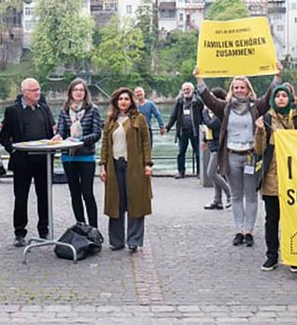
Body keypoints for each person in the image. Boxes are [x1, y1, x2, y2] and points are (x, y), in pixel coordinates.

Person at [195, 66, 279, 248]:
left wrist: (277, 76)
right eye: (236, 87)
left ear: (248, 89)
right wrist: (199, 79)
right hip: (231, 156)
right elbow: (208, 99)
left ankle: (249, 230)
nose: (239, 90)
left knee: (250, 195)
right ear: (232, 90)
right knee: (236, 195)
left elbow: (270, 96)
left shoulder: (255, 107)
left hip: (250, 156)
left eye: (242, 87)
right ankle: (239, 229)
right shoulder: (225, 108)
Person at [256, 83, 297, 272]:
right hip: (272, 177)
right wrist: (260, 130)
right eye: (278, 96)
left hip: (294, 177)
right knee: (272, 219)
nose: (281, 99)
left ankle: (295, 255)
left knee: (293, 219)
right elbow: (259, 149)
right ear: (273, 99)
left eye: (285, 96)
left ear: (290, 99)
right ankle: (271, 255)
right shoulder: (266, 119)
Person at [0, 78, 56, 246]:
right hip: (22, 161)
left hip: (43, 160)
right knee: (21, 197)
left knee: (44, 196)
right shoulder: (12, 111)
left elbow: (51, 132)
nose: (38, 92)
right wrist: (13, 149)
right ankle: (19, 232)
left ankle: (44, 229)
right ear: (24, 92)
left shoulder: (44, 109)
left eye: (38, 89)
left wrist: (56, 140)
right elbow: (4, 137)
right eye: (34, 90)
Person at [99, 87, 153, 252]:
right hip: (115, 166)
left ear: (131, 101)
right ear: (116, 101)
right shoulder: (110, 120)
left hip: (134, 166)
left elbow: (146, 142)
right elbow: (105, 144)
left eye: (126, 99)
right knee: (116, 203)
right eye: (120, 99)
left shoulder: (139, 118)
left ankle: (134, 240)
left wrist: (147, 164)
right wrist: (102, 165)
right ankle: (116, 241)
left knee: (136, 202)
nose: (123, 102)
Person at [56, 78, 103, 229]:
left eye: (81, 90)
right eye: (75, 90)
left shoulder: (92, 110)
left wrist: (79, 140)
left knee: (87, 193)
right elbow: (62, 132)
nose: (78, 93)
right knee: (74, 194)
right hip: (68, 157)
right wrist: (58, 137)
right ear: (70, 92)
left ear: (85, 92)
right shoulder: (64, 110)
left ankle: (94, 229)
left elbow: (96, 134)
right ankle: (81, 226)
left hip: (86, 156)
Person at [165, 81, 203, 179]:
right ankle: (181, 172)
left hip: (195, 131)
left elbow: (203, 115)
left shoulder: (198, 101)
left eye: (188, 89)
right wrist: (167, 128)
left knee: (198, 152)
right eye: (184, 89)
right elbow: (174, 116)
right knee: (181, 152)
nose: (186, 91)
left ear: (192, 90)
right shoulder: (179, 101)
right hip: (183, 131)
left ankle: (200, 172)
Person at [202, 87, 231, 210]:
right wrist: (204, 140)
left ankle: (229, 194)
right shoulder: (211, 112)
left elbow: (211, 124)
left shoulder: (221, 111)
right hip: (213, 144)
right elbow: (206, 128)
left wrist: (204, 114)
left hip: (220, 146)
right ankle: (217, 200)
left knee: (211, 172)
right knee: (215, 173)